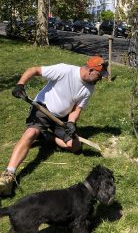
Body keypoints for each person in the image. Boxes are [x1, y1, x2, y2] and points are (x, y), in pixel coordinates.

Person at [0, 56, 108, 197]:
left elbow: (77, 109)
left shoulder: (89, 88)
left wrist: (71, 122)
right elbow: (34, 70)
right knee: (31, 133)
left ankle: (46, 137)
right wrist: (20, 84)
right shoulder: (64, 70)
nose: (100, 79)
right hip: (42, 109)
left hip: (62, 117)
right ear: (91, 70)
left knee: (75, 147)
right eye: (99, 76)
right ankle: (9, 174)